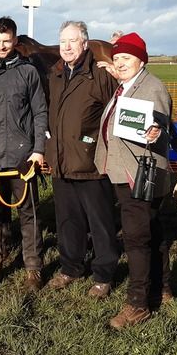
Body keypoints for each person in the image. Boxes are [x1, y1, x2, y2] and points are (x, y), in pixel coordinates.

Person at [94, 32, 174, 328]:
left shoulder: (151, 87)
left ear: (141, 60)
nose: (120, 63)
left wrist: (156, 132)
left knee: (136, 238)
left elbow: (161, 124)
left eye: (126, 58)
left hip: (139, 174)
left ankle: (138, 304)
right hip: (124, 172)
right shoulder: (125, 87)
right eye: (117, 59)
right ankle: (162, 287)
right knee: (152, 229)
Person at [44, 20, 121, 299]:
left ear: (85, 44)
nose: (66, 46)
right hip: (62, 163)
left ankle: (104, 274)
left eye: (72, 41)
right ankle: (70, 267)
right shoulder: (54, 75)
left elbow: (117, 112)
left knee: (100, 222)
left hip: (91, 164)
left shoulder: (99, 75)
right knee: (68, 221)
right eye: (63, 41)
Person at [0, 16, 48, 291]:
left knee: (30, 214)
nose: (2, 46)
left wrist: (38, 150)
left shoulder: (29, 72)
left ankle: (33, 268)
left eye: (6, 41)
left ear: (15, 41)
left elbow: (40, 112)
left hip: (22, 156)